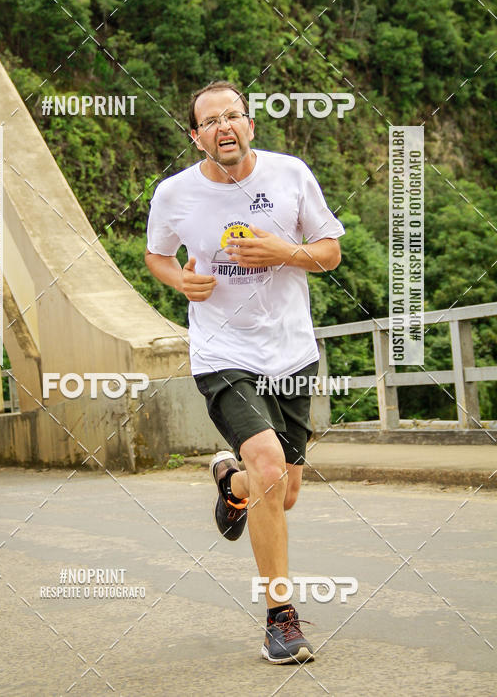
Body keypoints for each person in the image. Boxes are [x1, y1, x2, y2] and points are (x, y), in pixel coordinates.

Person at [145, 80, 344, 663]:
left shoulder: (290, 174)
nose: (223, 127)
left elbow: (329, 251)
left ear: (249, 124)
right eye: (210, 121)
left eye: (232, 116)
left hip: (291, 350)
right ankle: (281, 620)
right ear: (196, 136)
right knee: (269, 468)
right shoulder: (175, 193)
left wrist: (283, 252)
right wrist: (181, 280)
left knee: (282, 492)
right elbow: (157, 255)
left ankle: (231, 486)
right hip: (222, 352)